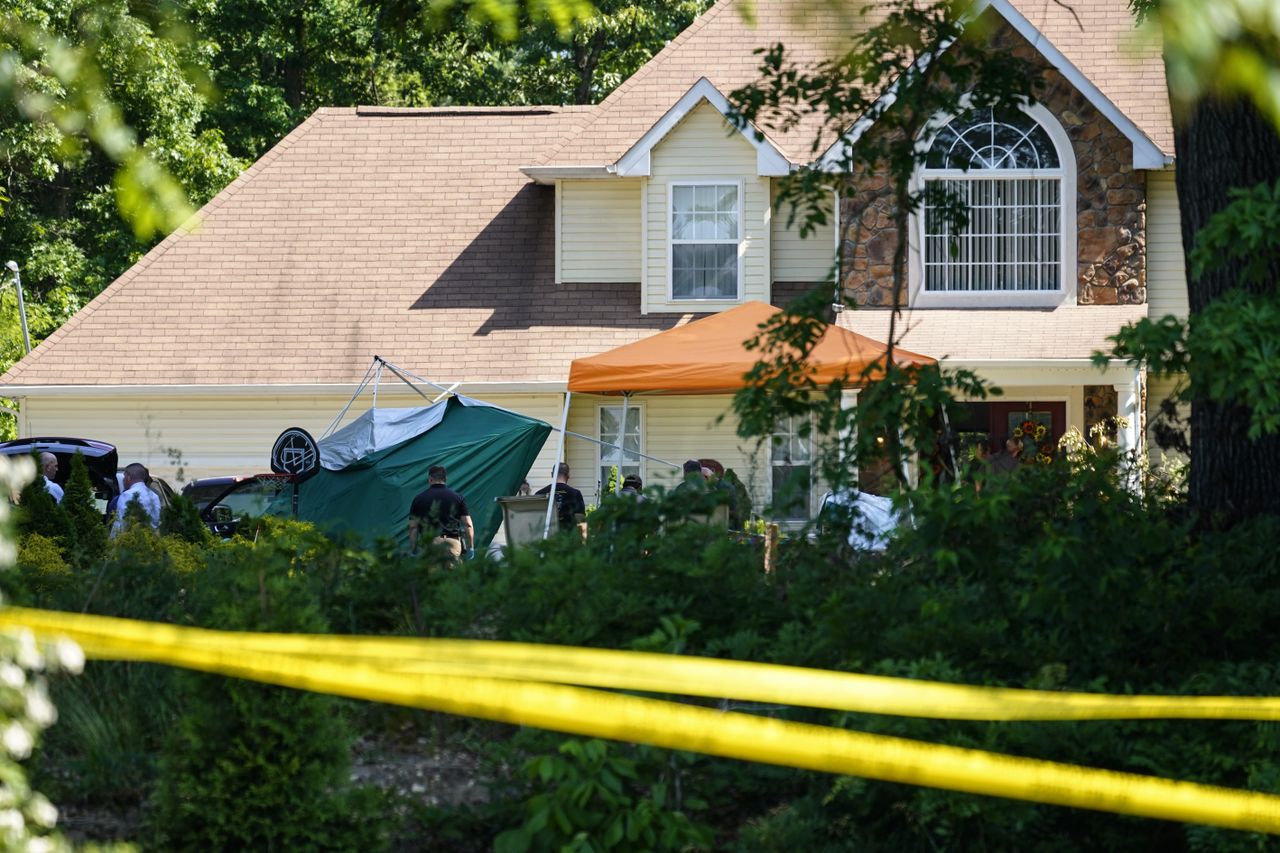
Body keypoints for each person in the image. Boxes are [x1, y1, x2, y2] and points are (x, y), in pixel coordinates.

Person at [408, 465, 473, 563]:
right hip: (452, 543)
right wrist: (470, 548)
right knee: (451, 577)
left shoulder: (418, 499)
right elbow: (468, 525)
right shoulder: (458, 498)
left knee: (432, 577)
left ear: (430, 479)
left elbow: (413, 528)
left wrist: (413, 549)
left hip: (429, 544)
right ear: (445, 479)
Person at [111, 463, 161, 537]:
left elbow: (120, 523)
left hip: (130, 541)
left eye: (124, 477)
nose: (123, 480)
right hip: (150, 541)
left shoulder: (127, 495)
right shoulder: (154, 496)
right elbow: (155, 522)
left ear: (128, 478)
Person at [536, 463, 586, 530]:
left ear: (552, 474)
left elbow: (534, 519)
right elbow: (581, 519)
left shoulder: (539, 494)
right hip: (567, 537)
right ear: (568, 475)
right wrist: (583, 539)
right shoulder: (575, 494)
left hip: (545, 537)